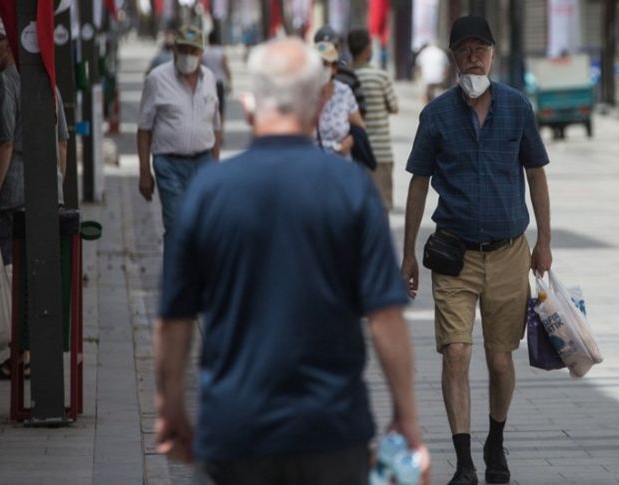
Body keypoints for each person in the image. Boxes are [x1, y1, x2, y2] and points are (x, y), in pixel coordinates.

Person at [153, 37, 428, 485]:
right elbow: (385, 317)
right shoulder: (352, 191)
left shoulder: (207, 193)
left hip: (234, 433)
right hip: (332, 435)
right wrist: (407, 419)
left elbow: (174, 320)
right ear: (320, 107)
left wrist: (169, 410)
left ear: (247, 106)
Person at [401, 15, 552, 485]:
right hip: (454, 255)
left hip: (509, 252)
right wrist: (407, 252)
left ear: (492, 53)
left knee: (500, 357)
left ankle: (495, 440)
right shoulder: (437, 115)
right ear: (452, 57)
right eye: (464, 49)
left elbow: (536, 174)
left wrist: (543, 242)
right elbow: (418, 184)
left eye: (480, 48)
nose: (473, 56)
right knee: (457, 353)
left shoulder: (517, 108)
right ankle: (465, 461)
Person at [0, 18, 69, 379]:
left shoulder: (5, 83)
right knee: (35, 275)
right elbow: (62, 141)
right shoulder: (47, 79)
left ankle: (19, 357)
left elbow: (3, 144)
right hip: (46, 197)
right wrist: (55, 183)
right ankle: (30, 353)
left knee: (12, 278)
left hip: (12, 197)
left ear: (9, 43)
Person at [137, 24, 221, 262]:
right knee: (176, 226)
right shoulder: (157, 79)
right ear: (174, 50)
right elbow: (144, 129)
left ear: (201, 53)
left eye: (193, 51)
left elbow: (216, 126)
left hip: (203, 161)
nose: (188, 56)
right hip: (169, 164)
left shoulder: (210, 79)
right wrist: (145, 171)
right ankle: (176, 285)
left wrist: (215, 165)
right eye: (183, 49)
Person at [348, 28, 398, 211]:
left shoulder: (344, 77)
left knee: (356, 208)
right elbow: (394, 106)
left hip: (354, 152)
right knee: (381, 207)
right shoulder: (381, 77)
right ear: (368, 49)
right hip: (380, 153)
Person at [315, 41, 365, 160]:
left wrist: (351, 140)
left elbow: (360, 126)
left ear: (334, 68)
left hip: (340, 165)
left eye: (325, 64)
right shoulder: (302, 93)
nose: (321, 68)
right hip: (310, 167)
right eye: (317, 64)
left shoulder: (344, 92)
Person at [314, 25, 366, 117]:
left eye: (333, 48)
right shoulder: (308, 80)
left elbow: (360, 110)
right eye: (323, 48)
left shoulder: (348, 76)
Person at [201, 29, 232, 122]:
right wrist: (230, 82)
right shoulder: (221, 51)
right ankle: (220, 131)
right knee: (220, 109)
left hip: (207, 83)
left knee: (208, 108)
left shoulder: (204, 52)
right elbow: (226, 68)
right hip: (219, 83)